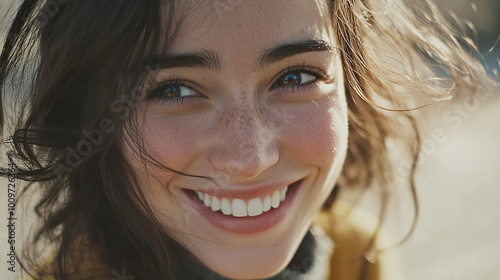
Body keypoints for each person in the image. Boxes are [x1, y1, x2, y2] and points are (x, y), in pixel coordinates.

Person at [0, 0, 493, 279]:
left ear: (352, 81)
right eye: (173, 89)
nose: (249, 158)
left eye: (296, 77)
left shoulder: (354, 256)